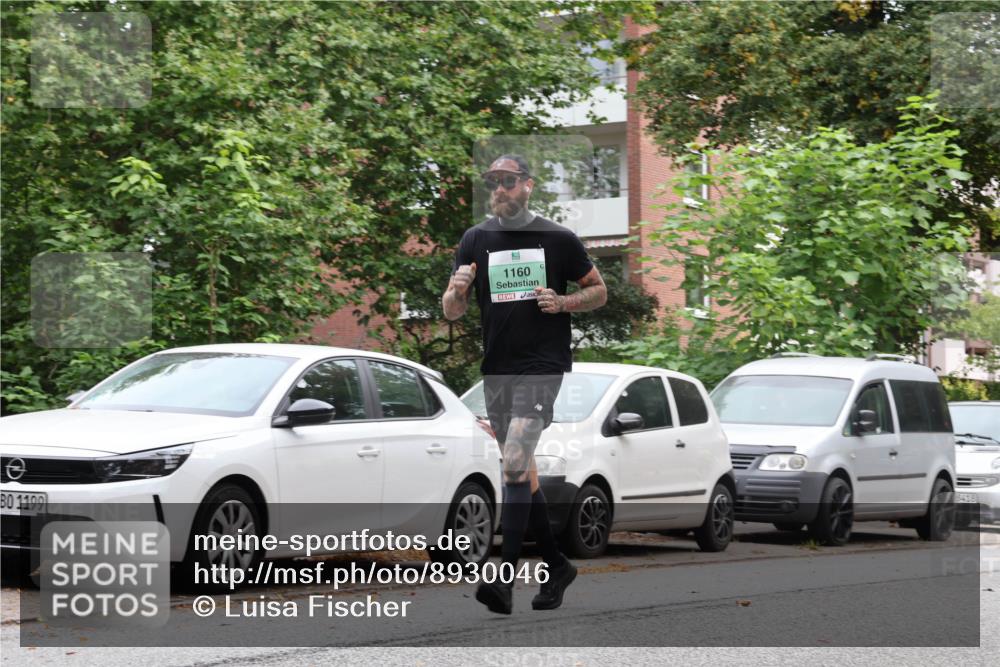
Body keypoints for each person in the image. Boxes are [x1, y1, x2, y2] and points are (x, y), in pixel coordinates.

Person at [442, 154, 607, 614]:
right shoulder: (475, 240)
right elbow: (451, 311)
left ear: (528, 186)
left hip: (543, 365)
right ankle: (557, 565)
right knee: (521, 472)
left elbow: (599, 290)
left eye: (508, 181)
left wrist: (564, 301)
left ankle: (504, 578)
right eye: (493, 182)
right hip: (498, 369)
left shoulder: (558, 239)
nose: (499, 188)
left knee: (513, 460)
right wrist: (455, 290)